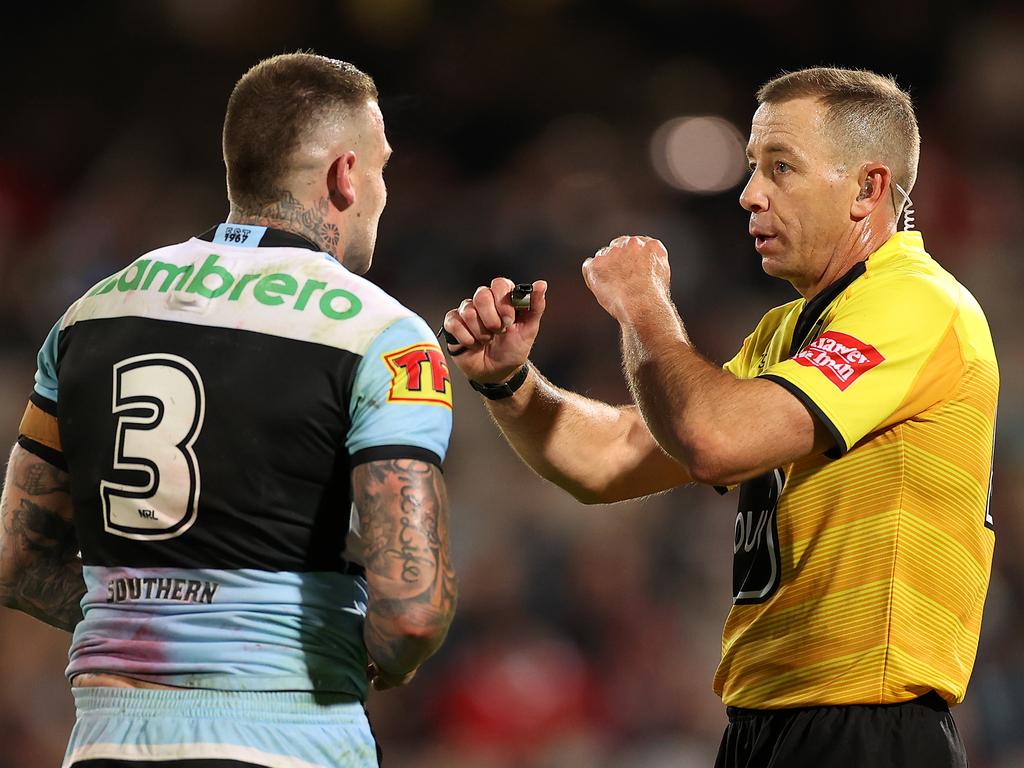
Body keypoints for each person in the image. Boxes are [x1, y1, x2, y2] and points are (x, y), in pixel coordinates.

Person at [442, 67, 997, 767]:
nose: (749, 193)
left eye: (780, 167)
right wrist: (509, 383)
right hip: (769, 724)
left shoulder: (917, 303)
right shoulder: (785, 333)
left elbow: (713, 439)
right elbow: (608, 458)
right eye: (752, 168)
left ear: (867, 189)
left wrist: (643, 305)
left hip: (867, 725)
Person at [0, 52, 457, 768]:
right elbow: (413, 611)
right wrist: (360, 658)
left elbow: (18, 560)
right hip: (288, 737)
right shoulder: (384, 337)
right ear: (344, 174)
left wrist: (158, 636)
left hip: (105, 738)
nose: (382, 191)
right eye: (381, 168)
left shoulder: (90, 313)